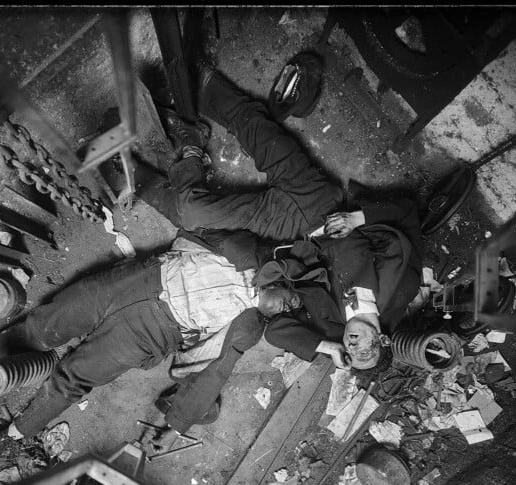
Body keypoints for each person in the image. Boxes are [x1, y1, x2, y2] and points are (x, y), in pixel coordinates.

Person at [0, 233, 301, 485]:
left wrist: (177, 425)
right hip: (138, 280)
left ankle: (4, 442)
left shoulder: (248, 325)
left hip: (151, 332)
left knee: (69, 379)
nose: (286, 305)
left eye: (289, 310)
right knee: (42, 326)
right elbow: (203, 218)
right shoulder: (247, 252)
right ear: (280, 277)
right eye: (290, 296)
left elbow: (218, 372)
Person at [133, 65, 423, 371]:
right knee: (255, 128)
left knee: (191, 214)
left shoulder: (332, 332)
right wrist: (357, 219)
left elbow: (275, 331)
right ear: (382, 339)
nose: (354, 348)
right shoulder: (399, 289)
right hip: (316, 199)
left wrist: (322, 346)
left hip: (284, 229)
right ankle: (186, 79)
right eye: (367, 352)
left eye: (354, 358)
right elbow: (406, 214)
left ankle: (172, 154)